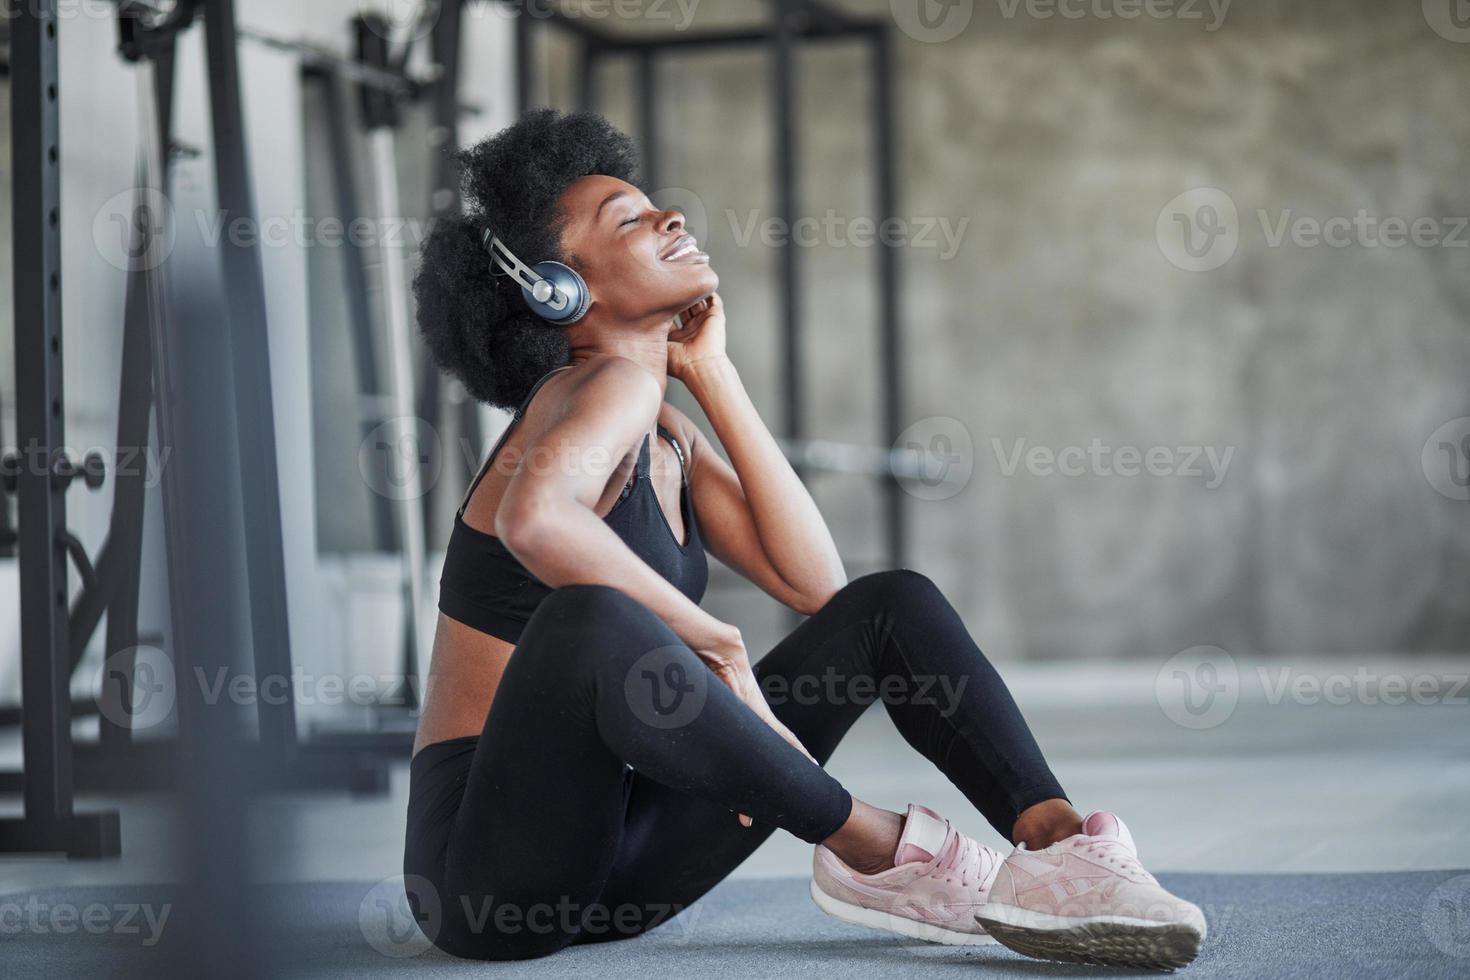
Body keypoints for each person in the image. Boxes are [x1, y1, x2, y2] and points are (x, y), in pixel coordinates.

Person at [404, 108, 1205, 970]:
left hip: (621, 869)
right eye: (629, 221)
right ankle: (875, 846)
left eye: (656, 205)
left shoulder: (665, 427)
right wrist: (714, 640)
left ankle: (1056, 848)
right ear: (561, 290)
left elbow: (818, 585)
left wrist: (713, 373)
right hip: (487, 882)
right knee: (591, 620)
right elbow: (535, 521)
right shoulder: (589, 390)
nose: (672, 218)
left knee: (889, 603)